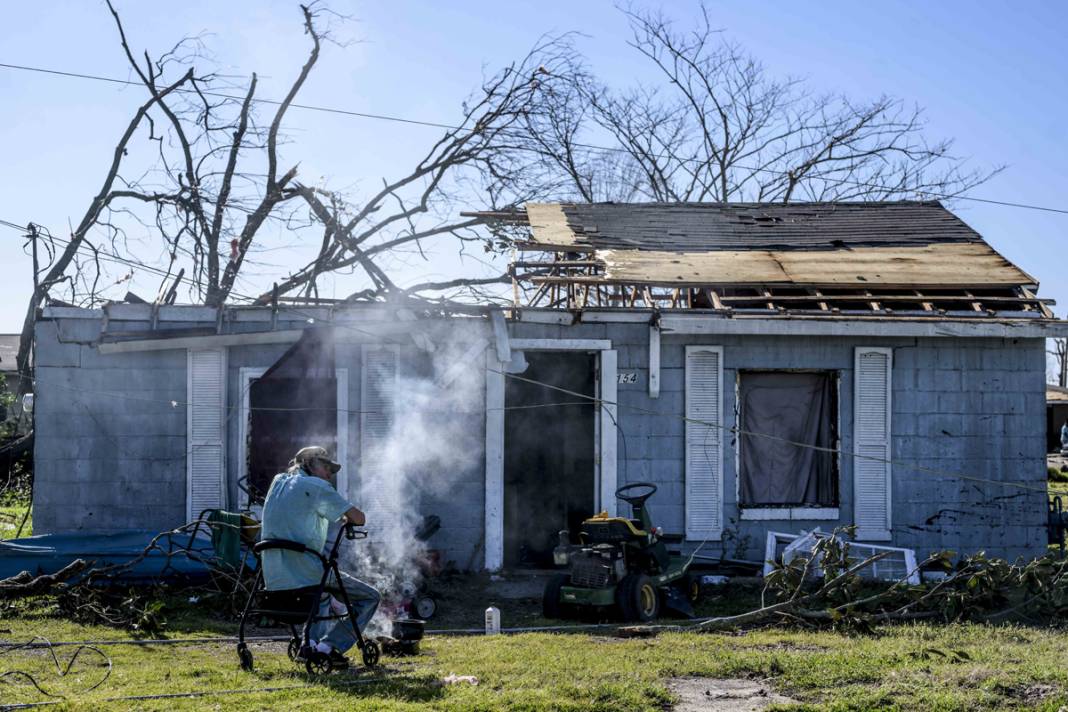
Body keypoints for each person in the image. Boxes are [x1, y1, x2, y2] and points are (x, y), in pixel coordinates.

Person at [259, 445, 380, 668]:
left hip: (274, 574)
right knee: (370, 597)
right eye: (327, 467)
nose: (330, 474)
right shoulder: (317, 486)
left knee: (322, 594)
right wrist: (346, 518)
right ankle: (329, 647)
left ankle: (310, 645)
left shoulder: (277, 482)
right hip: (307, 570)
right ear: (311, 464)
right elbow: (359, 518)